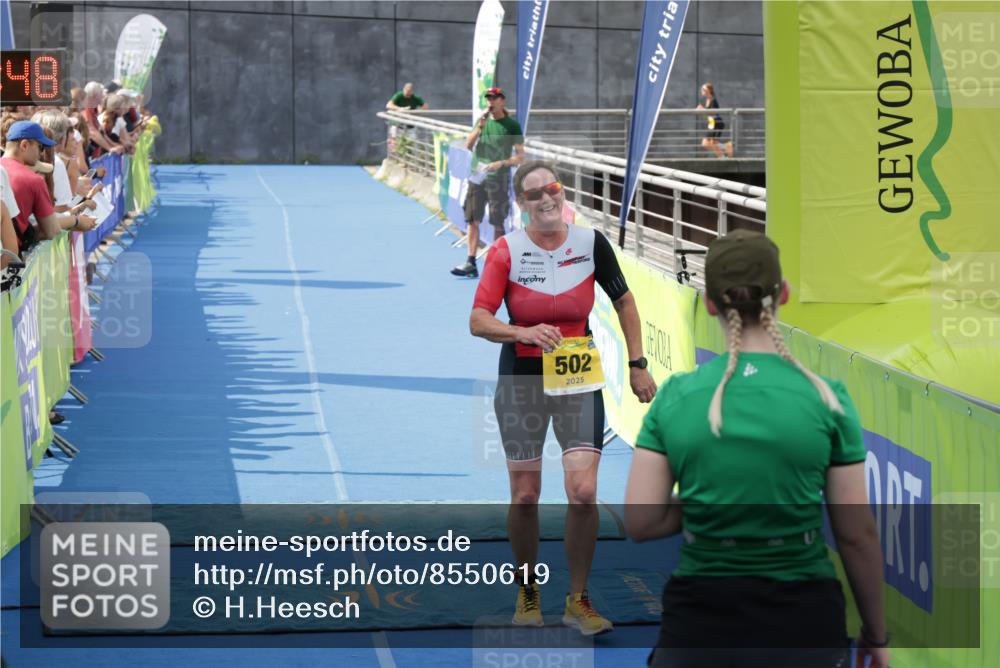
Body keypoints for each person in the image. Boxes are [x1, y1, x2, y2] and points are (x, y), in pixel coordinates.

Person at [624, 229, 889, 668]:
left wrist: (720, 501)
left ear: (711, 303)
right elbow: (857, 534)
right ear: (782, 294)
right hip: (806, 621)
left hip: (701, 622)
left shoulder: (675, 397)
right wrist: (876, 635)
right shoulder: (828, 398)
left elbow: (642, 520)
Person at [470, 160, 658, 635]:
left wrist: (637, 364)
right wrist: (521, 331)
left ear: (562, 190)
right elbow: (478, 319)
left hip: (577, 381)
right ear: (522, 203)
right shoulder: (505, 251)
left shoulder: (591, 243)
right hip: (522, 381)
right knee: (526, 496)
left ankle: (578, 599)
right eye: (534, 194)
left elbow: (624, 302)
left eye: (552, 188)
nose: (547, 198)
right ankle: (528, 592)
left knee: (584, 493)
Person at [451, 87, 525, 278]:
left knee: (497, 223)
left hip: (498, 179)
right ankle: (470, 262)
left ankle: (497, 266)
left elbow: (520, 157)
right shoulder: (482, 121)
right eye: (488, 98)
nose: (490, 101)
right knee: (472, 219)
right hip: (477, 177)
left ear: (502, 101)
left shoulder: (512, 126)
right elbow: (468, 145)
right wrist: (480, 126)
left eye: (494, 98)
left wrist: (501, 163)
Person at [1, 121, 97, 253]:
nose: (41, 154)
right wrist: (76, 221)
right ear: (24, 145)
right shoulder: (33, 180)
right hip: (11, 258)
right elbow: (51, 230)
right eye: (40, 147)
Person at [696, 83, 733, 159]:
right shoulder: (708, 100)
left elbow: (713, 113)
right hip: (712, 124)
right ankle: (725, 152)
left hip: (716, 124)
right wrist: (702, 110)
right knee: (713, 143)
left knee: (706, 143)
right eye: (702, 89)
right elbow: (708, 115)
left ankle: (725, 151)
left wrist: (702, 109)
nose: (702, 90)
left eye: (704, 89)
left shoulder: (713, 100)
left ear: (709, 90)